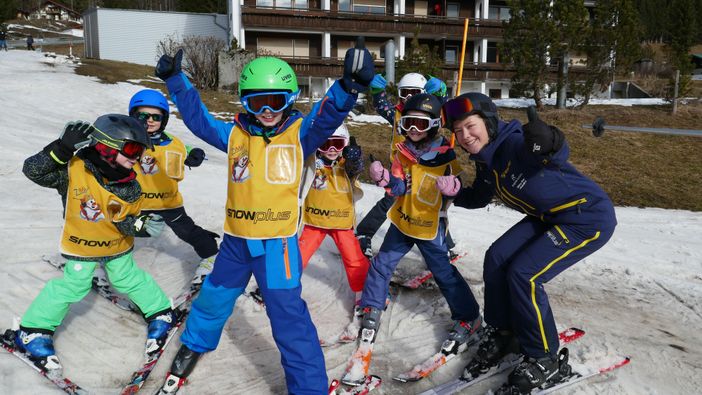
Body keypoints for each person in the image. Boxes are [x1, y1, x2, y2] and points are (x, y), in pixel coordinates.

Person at [153, 44, 373, 394]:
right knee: (213, 297)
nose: (267, 110)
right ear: (245, 102)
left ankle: (308, 387)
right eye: (257, 103)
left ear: (289, 98)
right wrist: (175, 81)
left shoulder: (301, 135)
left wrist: (348, 87)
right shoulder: (236, 135)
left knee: (288, 318)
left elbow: (326, 115)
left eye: (275, 100)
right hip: (237, 243)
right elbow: (198, 120)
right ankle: (195, 343)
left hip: (277, 247)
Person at [440, 93, 617, 393]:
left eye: (470, 126)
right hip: (549, 216)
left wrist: (550, 140)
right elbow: (481, 197)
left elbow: (551, 152)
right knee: (496, 257)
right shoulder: (487, 159)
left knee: (525, 274)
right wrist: (454, 193)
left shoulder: (514, 143)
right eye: (458, 131)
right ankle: (505, 331)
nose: (465, 136)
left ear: (489, 122)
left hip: (586, 217)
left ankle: (545, 357)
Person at [15, 114, 176, 375]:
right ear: (107, 147)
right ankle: (33, 331)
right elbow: (33, 170)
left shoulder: (130, 186)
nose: (137, 157)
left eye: (141, 150)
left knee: (127, 278)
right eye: (133, 149)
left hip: (115, 245)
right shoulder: (72, 171)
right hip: (82, 244)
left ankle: (160, 311)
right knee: (73, 285)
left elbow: (123, 220)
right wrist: (61, 149)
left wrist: (140, 225)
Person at [343, 93, 483, 384]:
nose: (413, 129)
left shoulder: (445, 153)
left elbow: (457, 184)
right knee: (382, 263)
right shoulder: (402, 151)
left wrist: (452, 187)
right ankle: (371, 306)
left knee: (443, 271)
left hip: (430, 227)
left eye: (420, 123)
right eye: (408, 123)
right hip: (403, 221)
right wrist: (384, 180)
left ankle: (468, 316)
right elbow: (398, 187)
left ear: (433, 125)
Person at [357, 72, 461, 262]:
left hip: (427, 168)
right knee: (391, 200)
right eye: (405, 93)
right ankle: (364, 232)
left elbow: (444, 111)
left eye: (414, 92)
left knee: (428, 206)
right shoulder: (397, 113)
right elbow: (382, 106)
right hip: (400, 167)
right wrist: (378, 92)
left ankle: (445, 244)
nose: (409, 98)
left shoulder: (429, 112)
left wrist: (442, 94)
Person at [128, 89, 219, 285]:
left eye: (155, 117)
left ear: (164, 119)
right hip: (135, 205)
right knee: (120, 230)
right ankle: (96, 260)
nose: (149, 120)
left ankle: (211, 254)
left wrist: (194, 153)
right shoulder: (126, 141)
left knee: (187, 231)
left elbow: (182, 150)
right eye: (142, 115)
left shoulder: (172, 142)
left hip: (168, 203)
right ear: (132, 116)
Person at [298, 124, 368, 304]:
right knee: (299, 255)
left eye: (337, 144)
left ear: (344, 145)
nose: (331, 149)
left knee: (354, 258)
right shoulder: (311, 161)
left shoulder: (346, 164)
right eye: (326, 143)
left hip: (341, 222)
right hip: (315, 221)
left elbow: (355, 170)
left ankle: (364, 293)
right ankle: (282, 287)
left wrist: (355, 160)